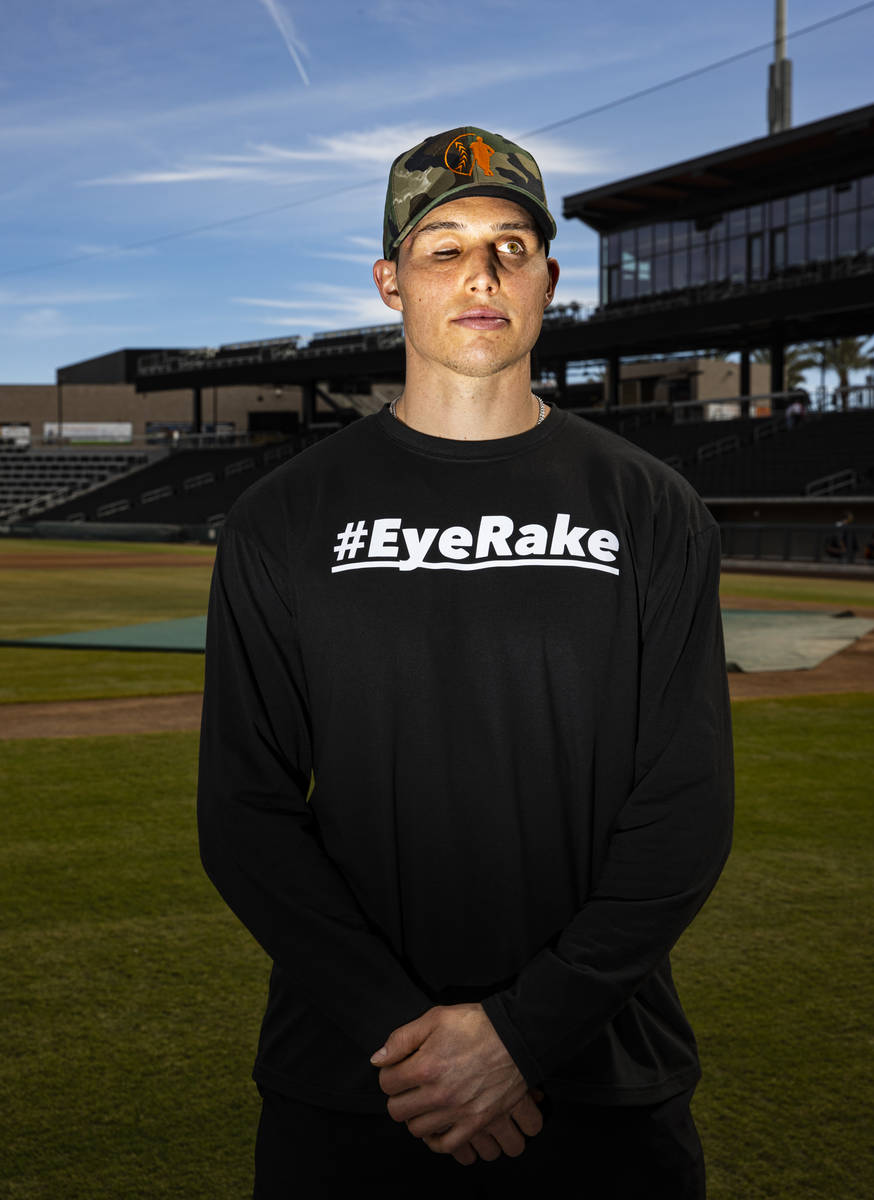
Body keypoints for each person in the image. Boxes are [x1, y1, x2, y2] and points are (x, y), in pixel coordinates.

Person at [197, 125, 734, 1199]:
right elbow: (245, 810)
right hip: (358, 1081)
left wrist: (523, 1035)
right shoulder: (284, 517)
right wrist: (411, 1036)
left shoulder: (648, 507)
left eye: (510, 246)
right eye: (442, 248)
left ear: (547, 279)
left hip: (600, 1081)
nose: (480, 273)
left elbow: (682, 808)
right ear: (391, 282)